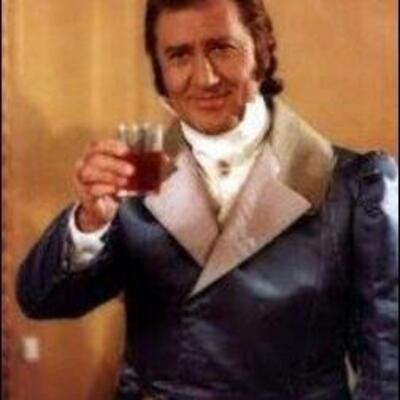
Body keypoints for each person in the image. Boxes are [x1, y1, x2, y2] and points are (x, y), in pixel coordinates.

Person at [16, 0, 398, 399]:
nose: (205, 77)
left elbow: (389, 371)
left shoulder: (356, 186)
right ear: (160, 72)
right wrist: (89, 222)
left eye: (222, 48)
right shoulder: (130, 181)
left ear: (262, 51)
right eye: (179, 56)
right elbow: (42, 301)